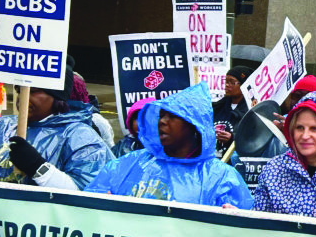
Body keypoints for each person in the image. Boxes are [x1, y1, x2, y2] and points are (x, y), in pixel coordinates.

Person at [86, 83, 253, 208]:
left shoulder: (223, 179)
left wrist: (233, 219)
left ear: (194, 125)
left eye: (172, 117)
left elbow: (242, 236)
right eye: (161, 115)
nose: (162, 122)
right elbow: (85, 207)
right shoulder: (128, 164)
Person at [0, 70, 111, 190]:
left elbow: (88, 195)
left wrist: (38, 167)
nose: (22, 98)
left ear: (57, 97)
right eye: (19, 91)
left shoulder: (80, 137)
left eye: (33, 91)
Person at [213, 66, 253, 155]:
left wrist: (232, 138)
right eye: (226, 82)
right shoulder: (217, 108)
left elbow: (253, 137)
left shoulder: (251, 111)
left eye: (232, 82)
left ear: (243, 85)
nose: (227, 85)